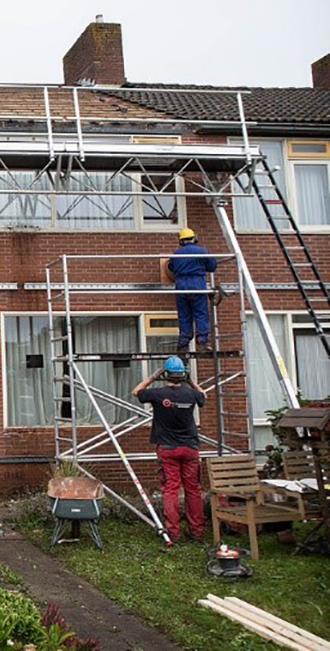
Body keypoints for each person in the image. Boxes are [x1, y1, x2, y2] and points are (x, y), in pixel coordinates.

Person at [132, 356, 206, 544]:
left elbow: (137, 392)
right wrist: (190, 380)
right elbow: (203, 395)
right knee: (193, 490)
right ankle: (197, 532)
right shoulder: (191, 395)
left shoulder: (158, 394)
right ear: (182, 375)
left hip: (167, 449)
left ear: (166, 374)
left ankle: (173, 532)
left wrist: (152, 377)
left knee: (171, 490)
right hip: (190, 448)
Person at [168, 228, 217, 351]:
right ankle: (202, 340)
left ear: (180, 241)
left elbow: (171, 267)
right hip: (197, 283)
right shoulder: (201, 251)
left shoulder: (176, 254)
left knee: (184, 314)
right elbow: (212, 266)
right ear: (194, 238)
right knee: (200, 312)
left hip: (181, 286)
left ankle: (184, 341)